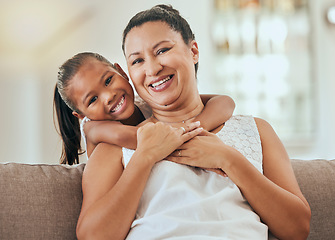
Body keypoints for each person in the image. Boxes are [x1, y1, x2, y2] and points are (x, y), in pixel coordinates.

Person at [75, 4, 311, 240]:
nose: (153, 68)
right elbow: (92, 237)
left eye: (162, 50)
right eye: (137, 61)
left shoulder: (256, 131)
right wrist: (144, 157)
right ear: (127, 72)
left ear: (194, 51)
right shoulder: (117, 147)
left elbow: (297, 229)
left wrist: (228, 159)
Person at [54, 52, 235, 164]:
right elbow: (143, 139)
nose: (109, 96)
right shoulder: (94, 128)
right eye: (93, 99)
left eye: (109, 80)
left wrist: (195, 127)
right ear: (81, 115)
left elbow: (225, 102)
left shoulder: (145, 102)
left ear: (122, 72)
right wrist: (184, 134)